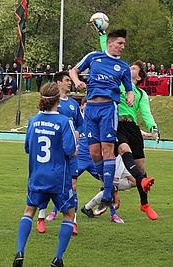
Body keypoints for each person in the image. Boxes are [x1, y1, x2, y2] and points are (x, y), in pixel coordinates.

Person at [95, 26, 159, 220]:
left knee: (141, 168)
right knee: (123, 149)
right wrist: (102, 35)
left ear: (138, 77)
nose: (128, 69)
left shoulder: (140, 94)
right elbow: (108, 53)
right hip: (116, 124)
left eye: (133, 69)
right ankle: (109, 190)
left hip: (132, 127)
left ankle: (144, 204)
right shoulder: (119, 83)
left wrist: (153, 127)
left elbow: (146, 113)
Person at [69, 29, 134, 216]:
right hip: (90, 109)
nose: (122, 47)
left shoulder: (123, 67)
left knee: (107, 150)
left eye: (123, 44)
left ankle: (106, 193)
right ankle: (109, 190)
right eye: (120, 43)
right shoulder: (94, 57)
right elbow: (74, 70)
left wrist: (129, 97)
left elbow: (129, 89)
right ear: (110, 43)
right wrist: (76, 81)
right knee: (94, 153)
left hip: (108, 109)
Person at [13, 83, 77, 267]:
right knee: (68, 214)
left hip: (37, 176)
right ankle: (58, 258)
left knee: (29, 212)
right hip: (59, 178)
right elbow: (70, 149)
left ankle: (20, 251)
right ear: (58, 100)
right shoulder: (65, 122)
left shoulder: (33, 121)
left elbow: (27, 148)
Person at [37, 71, 83, 234]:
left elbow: (81, 125)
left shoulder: (73, 104)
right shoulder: (50, 104)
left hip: (70, 154)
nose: (69, 83)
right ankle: (41, 218)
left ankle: (74, 221)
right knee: (46, 186)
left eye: (70, 80)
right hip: (53, 153)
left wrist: (78, 133)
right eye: (66, 80)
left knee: (73, 185)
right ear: (58, 83)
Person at [81, 154, 136, 224]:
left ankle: (87, 207)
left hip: (123, 160)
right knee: (112, 186)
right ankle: (111, 213)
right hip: (116, 159)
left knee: (134, 182)